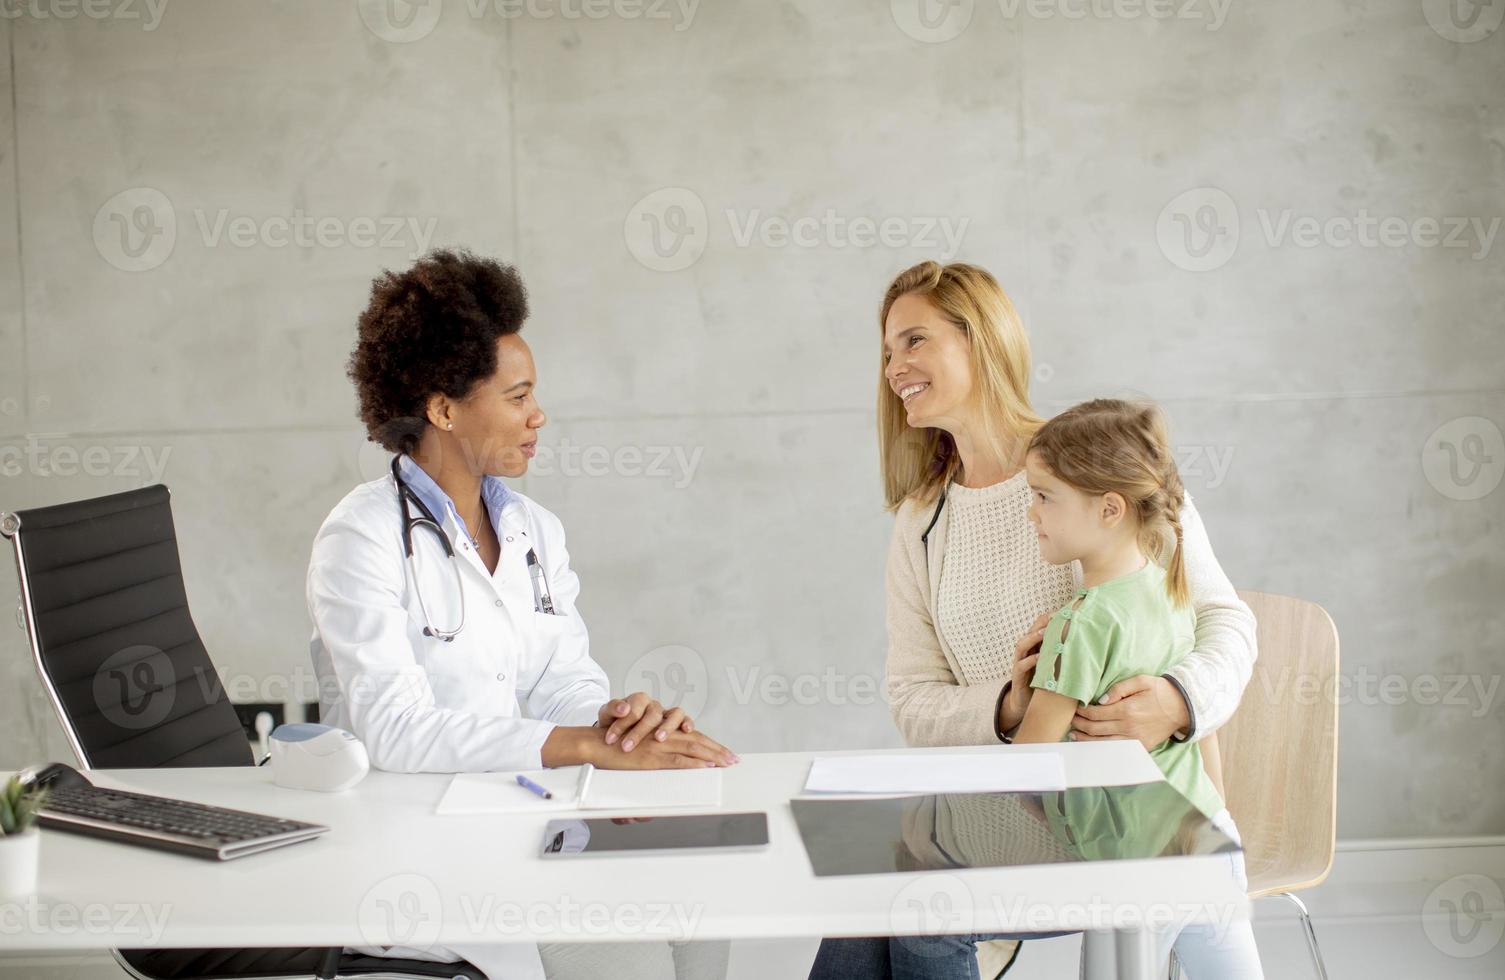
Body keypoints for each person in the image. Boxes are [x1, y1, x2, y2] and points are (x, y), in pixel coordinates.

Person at [809, 261, 1257, 979]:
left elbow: (1222, 621)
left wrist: (1176, 701)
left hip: (1109, 821)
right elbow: (912, 701)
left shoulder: (1092, 463)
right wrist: (1010, 704)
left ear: (980, 339)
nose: (894, 367)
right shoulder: (922, 519)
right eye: (887, 350)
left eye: (914, 340)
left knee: (919, 905)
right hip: (999, 813)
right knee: (866, 902)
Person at [307, 248, 734, 980]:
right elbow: (396, 732)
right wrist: (579, 746)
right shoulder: (361, 536)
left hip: (515, 812)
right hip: (415, 849)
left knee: (708, 895)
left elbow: (559, 676)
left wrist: (613, 725)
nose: (539, 415)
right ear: (442, 408)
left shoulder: (534, 530)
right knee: (630, 952)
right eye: (516, 397)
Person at [1011, 397, 1263, 977]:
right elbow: (1202, 726)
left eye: (1044, 496)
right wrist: (1217, 816)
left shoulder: (1080, 622)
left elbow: (1029, 765)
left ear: (1109, 509)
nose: (1032, 513)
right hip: (1208, 840)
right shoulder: (1170, 588)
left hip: (1136, 866)